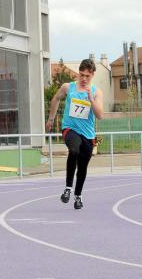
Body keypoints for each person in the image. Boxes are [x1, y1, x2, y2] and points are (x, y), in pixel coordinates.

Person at [45, 59, 105, 209]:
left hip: (88, 135)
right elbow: (55, 99)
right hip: (70, 129)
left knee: (83, 167)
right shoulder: (68, 87)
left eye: (87, 76)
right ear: (79, 73)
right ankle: (67, 188)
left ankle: (78, 196)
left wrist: (91, 99)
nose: (83, 79)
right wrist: (51, 119)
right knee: (73, 149)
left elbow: (100, 115)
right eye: (81, 75)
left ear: (92, 75)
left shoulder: (97, 92)